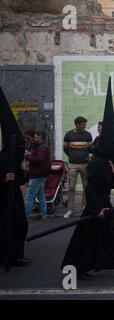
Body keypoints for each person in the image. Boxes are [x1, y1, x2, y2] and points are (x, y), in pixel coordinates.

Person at [61, 77, 114, 280]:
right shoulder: (98, 163)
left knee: (112, 234)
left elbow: (113, 183)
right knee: (87, 237)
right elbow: (91, 188)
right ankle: (76, 268)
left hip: (103, 203)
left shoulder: (106, 161)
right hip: (97, 205)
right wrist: (97, 209)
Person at [0, 86, 31, 268]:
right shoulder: (3, 157)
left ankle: (14, 255)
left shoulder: (10, 156)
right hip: (3, 195)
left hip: (11, 194)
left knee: (18, 223)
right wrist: (4, 179)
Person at [63, 116, 92, 218]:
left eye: (85, 124)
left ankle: (84, 205)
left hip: (85, 164)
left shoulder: (88, 135)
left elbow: (90, 148)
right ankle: (71, 209)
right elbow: (65, 148)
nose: (85, 126)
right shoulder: (68, 135)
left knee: (86, 186)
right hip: (73, 165)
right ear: (77, 124)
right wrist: (73, 156)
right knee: (71, 187)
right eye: (83, 124)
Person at [24, 131, 51, 220]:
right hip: (39, 173)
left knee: (29, 196)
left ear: (40, 138)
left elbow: (39, 160)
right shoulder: (36, 146)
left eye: (35, 137)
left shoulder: (42, 148)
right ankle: (42, 214)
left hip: (38, 174)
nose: (33, 138)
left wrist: (28, 156)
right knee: (40, 195)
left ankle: (25, 216)